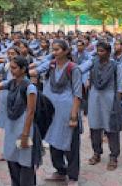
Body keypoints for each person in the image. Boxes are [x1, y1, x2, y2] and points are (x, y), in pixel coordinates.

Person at [30, 39, 82, 186]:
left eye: (57, 49)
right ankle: (60, 171)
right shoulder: (51, 64)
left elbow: (78, 94)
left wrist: (73, 116)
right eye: (53, 49)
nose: (54, 52)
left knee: (70, 143)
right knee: (53, 140)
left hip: (67, 111)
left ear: (66, 51)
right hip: (51, 110)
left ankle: (73, 177)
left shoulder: (74, 68)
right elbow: (35, 71)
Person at [0, 56, 39, 186]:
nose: (11, 71)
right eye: (10, 68)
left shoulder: (30, 87)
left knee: (25, 162)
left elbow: (30, 112)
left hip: (24, 129)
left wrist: (25, 135)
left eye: (14, 68)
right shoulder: (11, 83)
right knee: (12, 159)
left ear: (23, 69)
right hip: (12, 128)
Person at [79, 41, 122, 170]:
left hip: (110, 99)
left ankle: (114, 156)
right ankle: (97, 153)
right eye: (98, 51)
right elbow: (80, 69)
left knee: (111, 128)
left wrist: (117, 103)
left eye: (102, 51)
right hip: (94, 97)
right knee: (94, 126)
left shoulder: (116, 66)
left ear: (109, 52)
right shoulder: (93, 62)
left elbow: (121, 86)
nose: (99, 53)